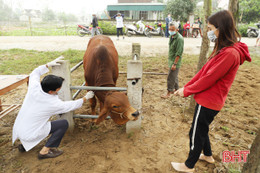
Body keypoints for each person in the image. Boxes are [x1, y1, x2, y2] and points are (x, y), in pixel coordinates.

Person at [171, 10, 251, 172]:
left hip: (209, 100)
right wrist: (187, 87)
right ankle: (207, 155)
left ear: (220, 28)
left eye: (210, 28)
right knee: (202, 128)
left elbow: (209, 78)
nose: (208, 32)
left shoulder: (230, 53)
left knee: (195, 131)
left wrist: (187, 91)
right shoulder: (222, 48)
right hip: (207, 98)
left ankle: (189, 165)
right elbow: (204, 72)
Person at [12, 57, 95, 159]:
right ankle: (45, 151)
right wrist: (85, 98)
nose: (60, 89)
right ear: (51, 91)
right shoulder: (53, 103)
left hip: (18, 128)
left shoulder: (35, 87)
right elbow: (70, 105)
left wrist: (47, 65)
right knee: (63, 124)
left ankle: (24, 145)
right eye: (58, 88)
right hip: (30, 133)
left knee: (35, 124)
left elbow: (35, 73)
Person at [161, 22, 184, 99]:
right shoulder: (172, 36)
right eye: (169, 29)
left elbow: (179, 53)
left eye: (172, 29)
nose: (170, 30)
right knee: (175, 76)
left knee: (170, 77)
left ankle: (169, 92)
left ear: (177, 29)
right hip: (171, 60)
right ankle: (177, 90)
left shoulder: (179, 39)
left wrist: (174, 64)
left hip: (175, 61)